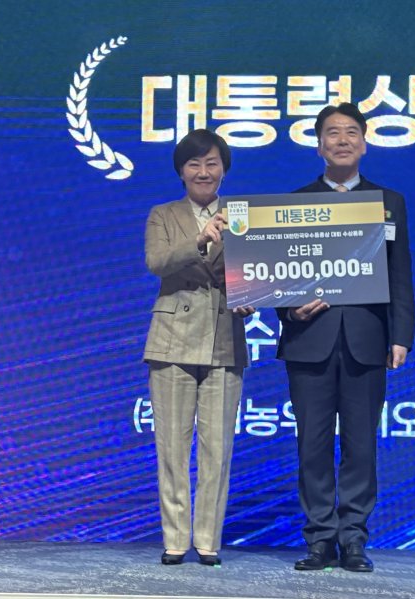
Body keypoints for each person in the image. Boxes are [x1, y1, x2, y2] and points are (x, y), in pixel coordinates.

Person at [277, 103, 415, 573]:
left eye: (351, 132)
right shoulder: (294, 203)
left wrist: (401, 335)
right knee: (312, 446)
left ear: (365, 143)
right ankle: (319, 538)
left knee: (361, 445)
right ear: (319, 146)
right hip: (309, 339)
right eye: (332, 133)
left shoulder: (388, 201)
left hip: (366, 339)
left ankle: (353, 538)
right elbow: (277, 274)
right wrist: (288, 309)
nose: (342, 140)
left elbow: (400, 273)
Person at [143, 129, 254, 566]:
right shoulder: (163, 214)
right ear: (181, 172)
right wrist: (201, 238)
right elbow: (157, 262)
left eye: (212, 163)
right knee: (172, 447)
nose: (203, 171)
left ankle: (208, 540)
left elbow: (257, 271)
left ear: (224, 169)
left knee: (218, 448)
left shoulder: (243, 214)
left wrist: (252, 297)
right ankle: (175, 538)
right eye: (194, 164)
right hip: (172, 340)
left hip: (225, 338)